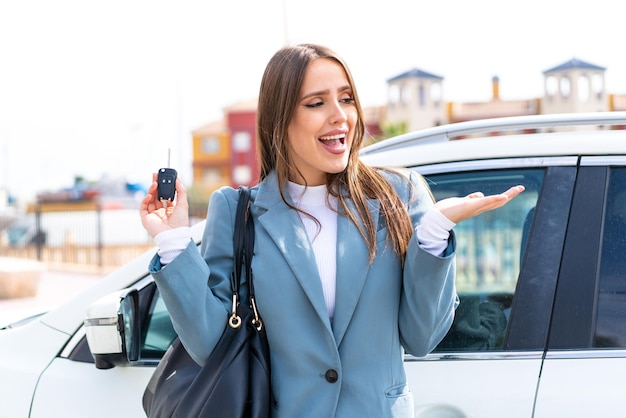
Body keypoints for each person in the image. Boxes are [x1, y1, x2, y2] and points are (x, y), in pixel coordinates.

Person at [140, 43, 524, 418]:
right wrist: (173, 240)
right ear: (279, 119)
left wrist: (436, 230)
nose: (340, 115)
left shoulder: (399, 195)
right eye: (317, 103)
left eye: (346, 98)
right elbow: (211, 345)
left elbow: (422, 337)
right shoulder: (239, 211)